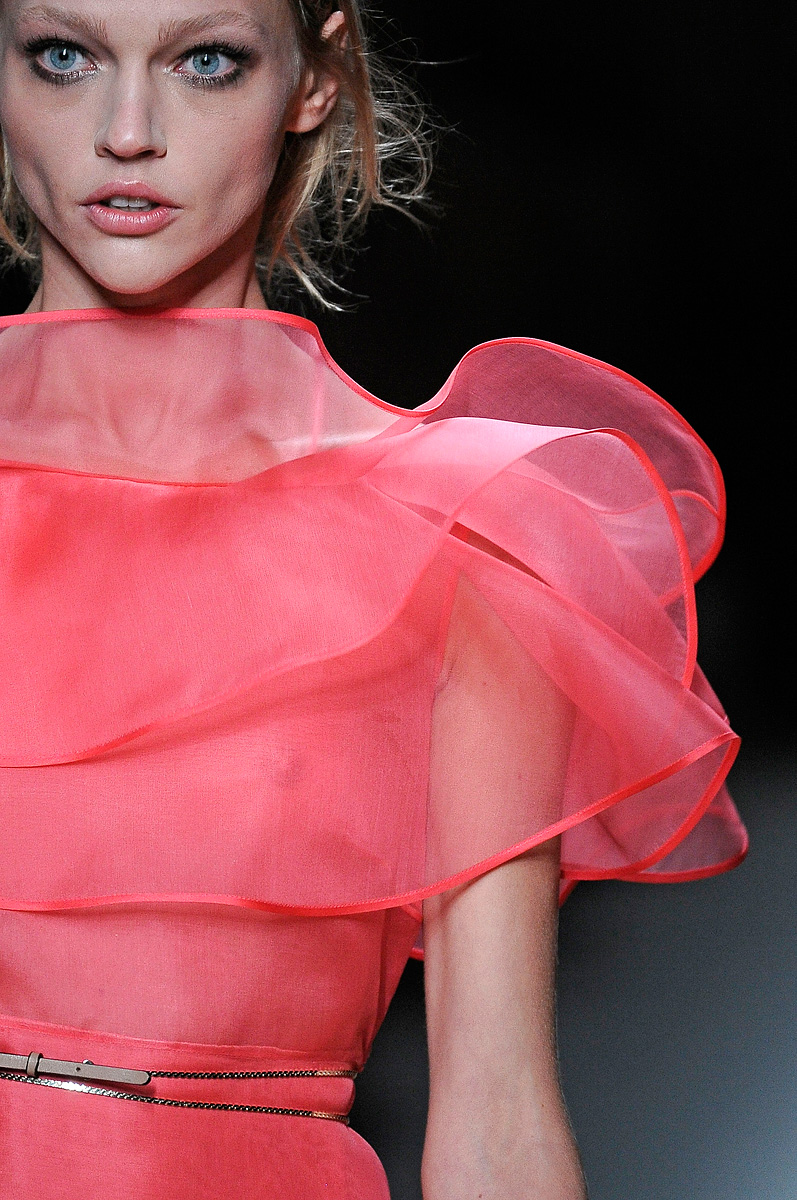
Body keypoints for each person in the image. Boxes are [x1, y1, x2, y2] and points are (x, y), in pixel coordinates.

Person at [0, 1, 747, 1197]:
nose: (125, 129)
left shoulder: (461, 539)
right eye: (64, 56)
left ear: (314, 77)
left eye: (205, 60)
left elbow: (495, 1115)